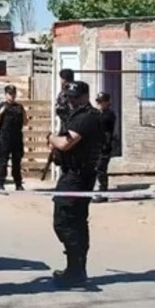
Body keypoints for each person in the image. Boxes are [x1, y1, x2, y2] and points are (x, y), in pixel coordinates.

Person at [48, 81, 103, 288]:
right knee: (75, 221)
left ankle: (76, 269)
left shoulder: (87, 117)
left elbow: (64, 143)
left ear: (85, 96)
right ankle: (76, 267)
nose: (71, 101)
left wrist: (51, 137)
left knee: (66, 220)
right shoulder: (76, 116)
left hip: (77, 176)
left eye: (75, 97)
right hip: (73, 173)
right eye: (69, 97)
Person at [0, 84, 28, 191]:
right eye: (10, 94)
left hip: (17, 136)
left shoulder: (19, 107)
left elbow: (26, 122)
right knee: (3, 160)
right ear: (5, 94)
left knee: (17, 161)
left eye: (13, 93)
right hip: (5, 137)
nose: (12, 96)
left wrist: (23, 113)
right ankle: (0, 183)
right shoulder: (1, 106)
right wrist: (1, 112)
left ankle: (18, 184)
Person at [93, 92, 117, 203]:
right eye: (98, 101)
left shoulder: (108, 115)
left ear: (107, 102)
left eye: (101, 102)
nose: (99, 104)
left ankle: (102, 193)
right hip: (97, 145)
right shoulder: (98, 113)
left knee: (100, 169)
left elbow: (103, 123)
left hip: (105, 146)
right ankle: (98, 192)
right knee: (96, 169)